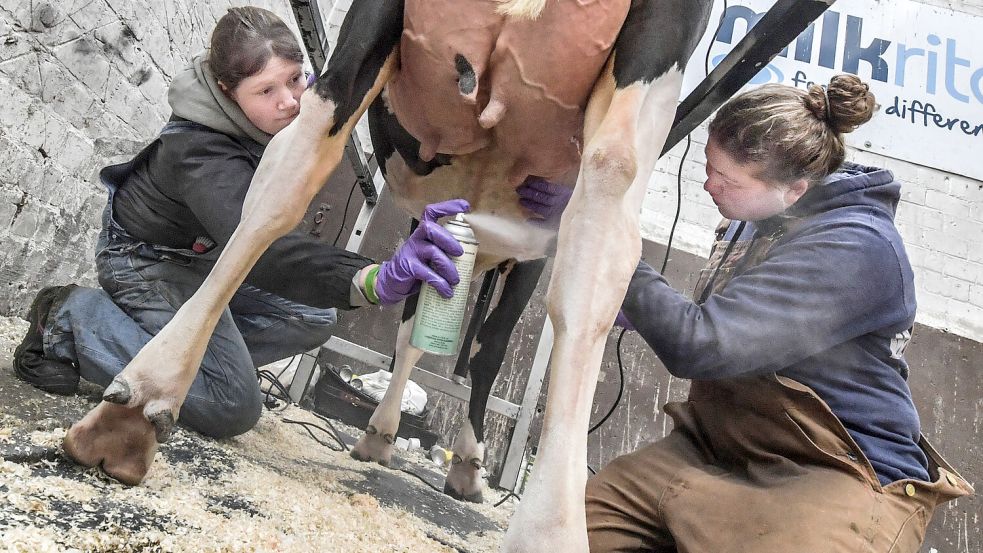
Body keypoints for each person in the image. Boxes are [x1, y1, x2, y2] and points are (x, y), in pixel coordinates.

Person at [12, 7, 469, 440]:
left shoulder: (268, 128)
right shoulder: (197, 150)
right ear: (228, 91)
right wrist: (371, 277)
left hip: (205, 262)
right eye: (266, 91)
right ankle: (66, 319)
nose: (289, 101)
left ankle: (207, 369)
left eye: (294, 80)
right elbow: (261, 246)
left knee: (312, 315)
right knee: (233, 406)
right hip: (146, 262)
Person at [577, 75, 973, 552]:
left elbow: (701, 345)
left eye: (726, 178)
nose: (708, 184)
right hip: (716, 446)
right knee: (562, 534)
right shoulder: (766, 219)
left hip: (830, 472)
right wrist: (642, 307)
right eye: (709, 166)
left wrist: (604, 237)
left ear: (794, 189)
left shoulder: (856, 247)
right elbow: (732, 326)